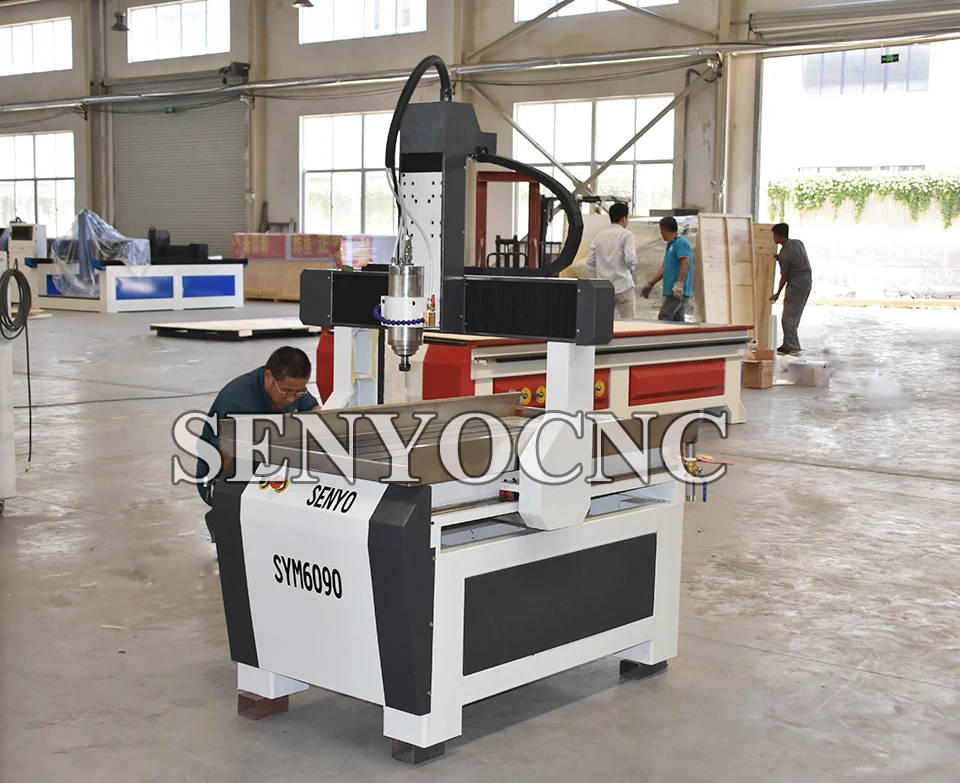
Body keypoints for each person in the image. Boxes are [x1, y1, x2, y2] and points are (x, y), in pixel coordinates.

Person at [196, 346, 321, 542]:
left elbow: (315, 411)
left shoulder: (295, 391)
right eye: (286, 391)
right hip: (223, 472)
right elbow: (226, 460)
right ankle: (223, 515)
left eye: (298, 392)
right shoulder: (236, 400)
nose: (291, 398)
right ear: (268, 377)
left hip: (266, 461)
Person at [586, 201, 638, 319]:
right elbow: (630, 259)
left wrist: (603, 266)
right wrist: (630, 268)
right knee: (629, 321)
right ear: (624, 218)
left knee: (604, 321)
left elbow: (590, 260)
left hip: (604, 286)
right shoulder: (626, 234)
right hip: (623, 284)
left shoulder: (600, 235)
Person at [769, 223, 812, 356]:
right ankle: (788, 344)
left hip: (796, 286)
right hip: (806, 283)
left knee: (788, 318)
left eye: (774, 235)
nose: (773, 238)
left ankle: (793, 347)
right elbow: (795, 258)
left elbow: (784, 276)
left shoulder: (784, 255)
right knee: (794, 316)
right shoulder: (797, 243)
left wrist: (777, 293)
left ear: (779, 236)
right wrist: (780, 257)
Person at [641, 216, 693, 322]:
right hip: (673, 290)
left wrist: (679, 285)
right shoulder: (671, 244)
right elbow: (664, 267)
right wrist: (650, 283)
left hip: (677, 291)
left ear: (663, 229)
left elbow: (685, 263)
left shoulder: (680, 242)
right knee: (677, 320)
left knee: (665, 316)